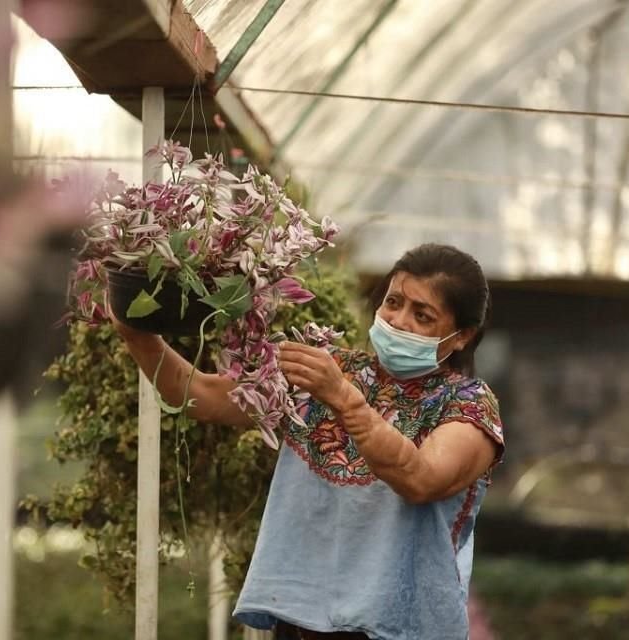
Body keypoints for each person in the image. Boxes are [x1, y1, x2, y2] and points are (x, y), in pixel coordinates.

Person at [112, 243, 504, 640]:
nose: (398, 321)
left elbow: (420, 479)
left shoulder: (468, 405)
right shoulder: (333, 370)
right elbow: (201, 396)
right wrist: (136, 335)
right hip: (301, 624)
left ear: (462, 337)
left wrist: (345, 400)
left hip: (401, 628)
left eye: (422, 315)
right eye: (393, 302)